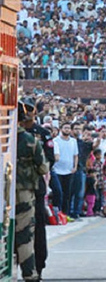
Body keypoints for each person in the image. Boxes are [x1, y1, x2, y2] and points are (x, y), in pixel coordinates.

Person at [15, 99, 49, 282]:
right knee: (26, 236)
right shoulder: (31, 140)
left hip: (5, 192)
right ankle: (30, 274)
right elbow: (44, 168)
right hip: (26, 192)